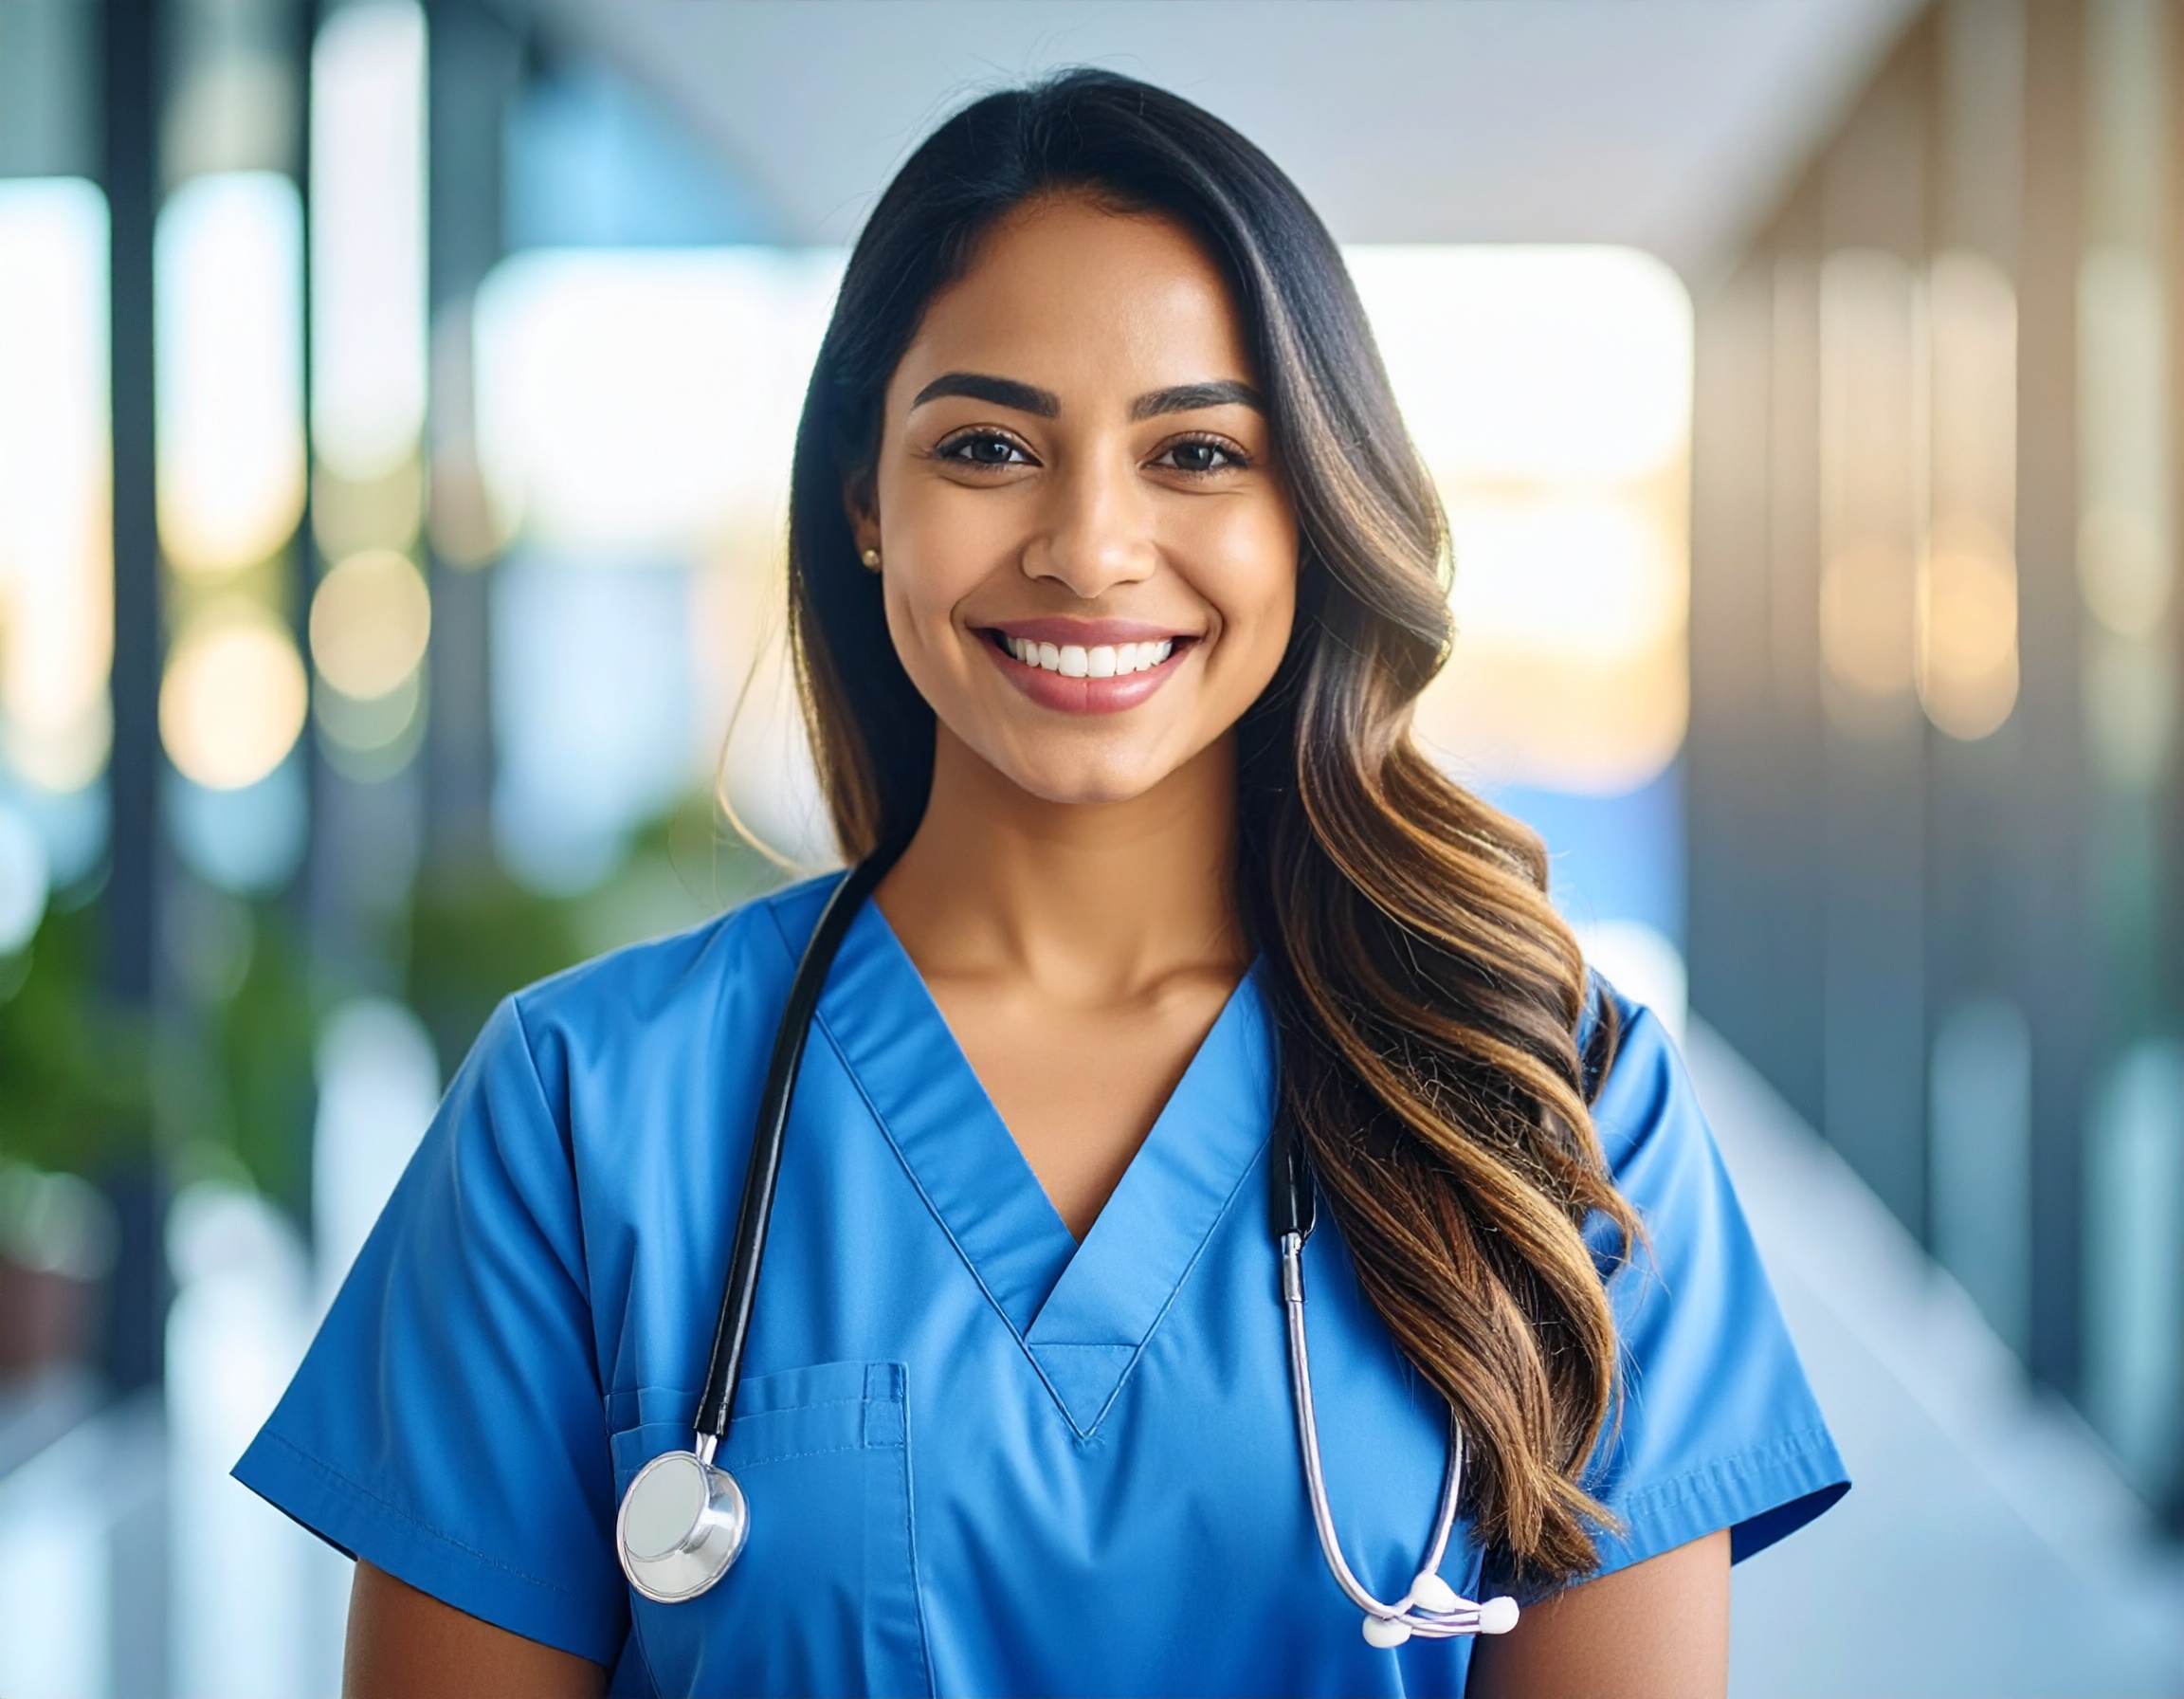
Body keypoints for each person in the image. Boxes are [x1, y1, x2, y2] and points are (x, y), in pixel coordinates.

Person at [237, 69, 1847, 1698]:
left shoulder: (1561, 1104)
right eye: (990, 444)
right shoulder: (582, 1113)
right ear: (868, 502)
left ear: (1314, 512)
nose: (1088, 545)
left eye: (1199, 452)